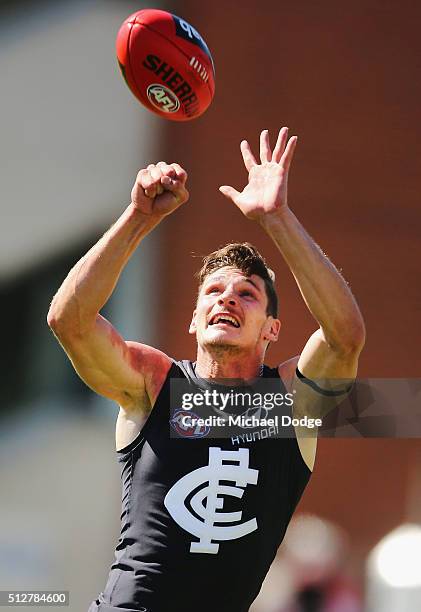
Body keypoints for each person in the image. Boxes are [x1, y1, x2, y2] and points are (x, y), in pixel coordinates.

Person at [47, 127, 365, 612]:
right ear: (193, 320)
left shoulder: (287, 403)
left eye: (247, 294)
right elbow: (68, 321)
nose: (228, 299)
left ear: (272, 330)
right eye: (214, 292)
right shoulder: (153, 383)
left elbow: (345, 337)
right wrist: (139, 217)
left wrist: (277, 218)